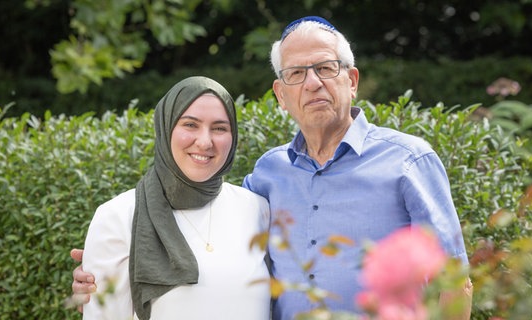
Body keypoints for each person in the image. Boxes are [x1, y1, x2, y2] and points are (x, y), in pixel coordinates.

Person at [72, 16, 472, 319]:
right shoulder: (267, 176)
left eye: (326, 68)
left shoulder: (408, 161)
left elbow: (455, 282)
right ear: (281, 95)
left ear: (351, 81)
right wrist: (107, 268)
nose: (313, 82)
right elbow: (212, 222)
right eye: (296, 73)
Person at [78, 76, 271, 320]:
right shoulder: (119, 216)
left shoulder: (257, 208)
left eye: (220, 128)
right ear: (166, 127)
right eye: (190, 125)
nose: (205, 141)